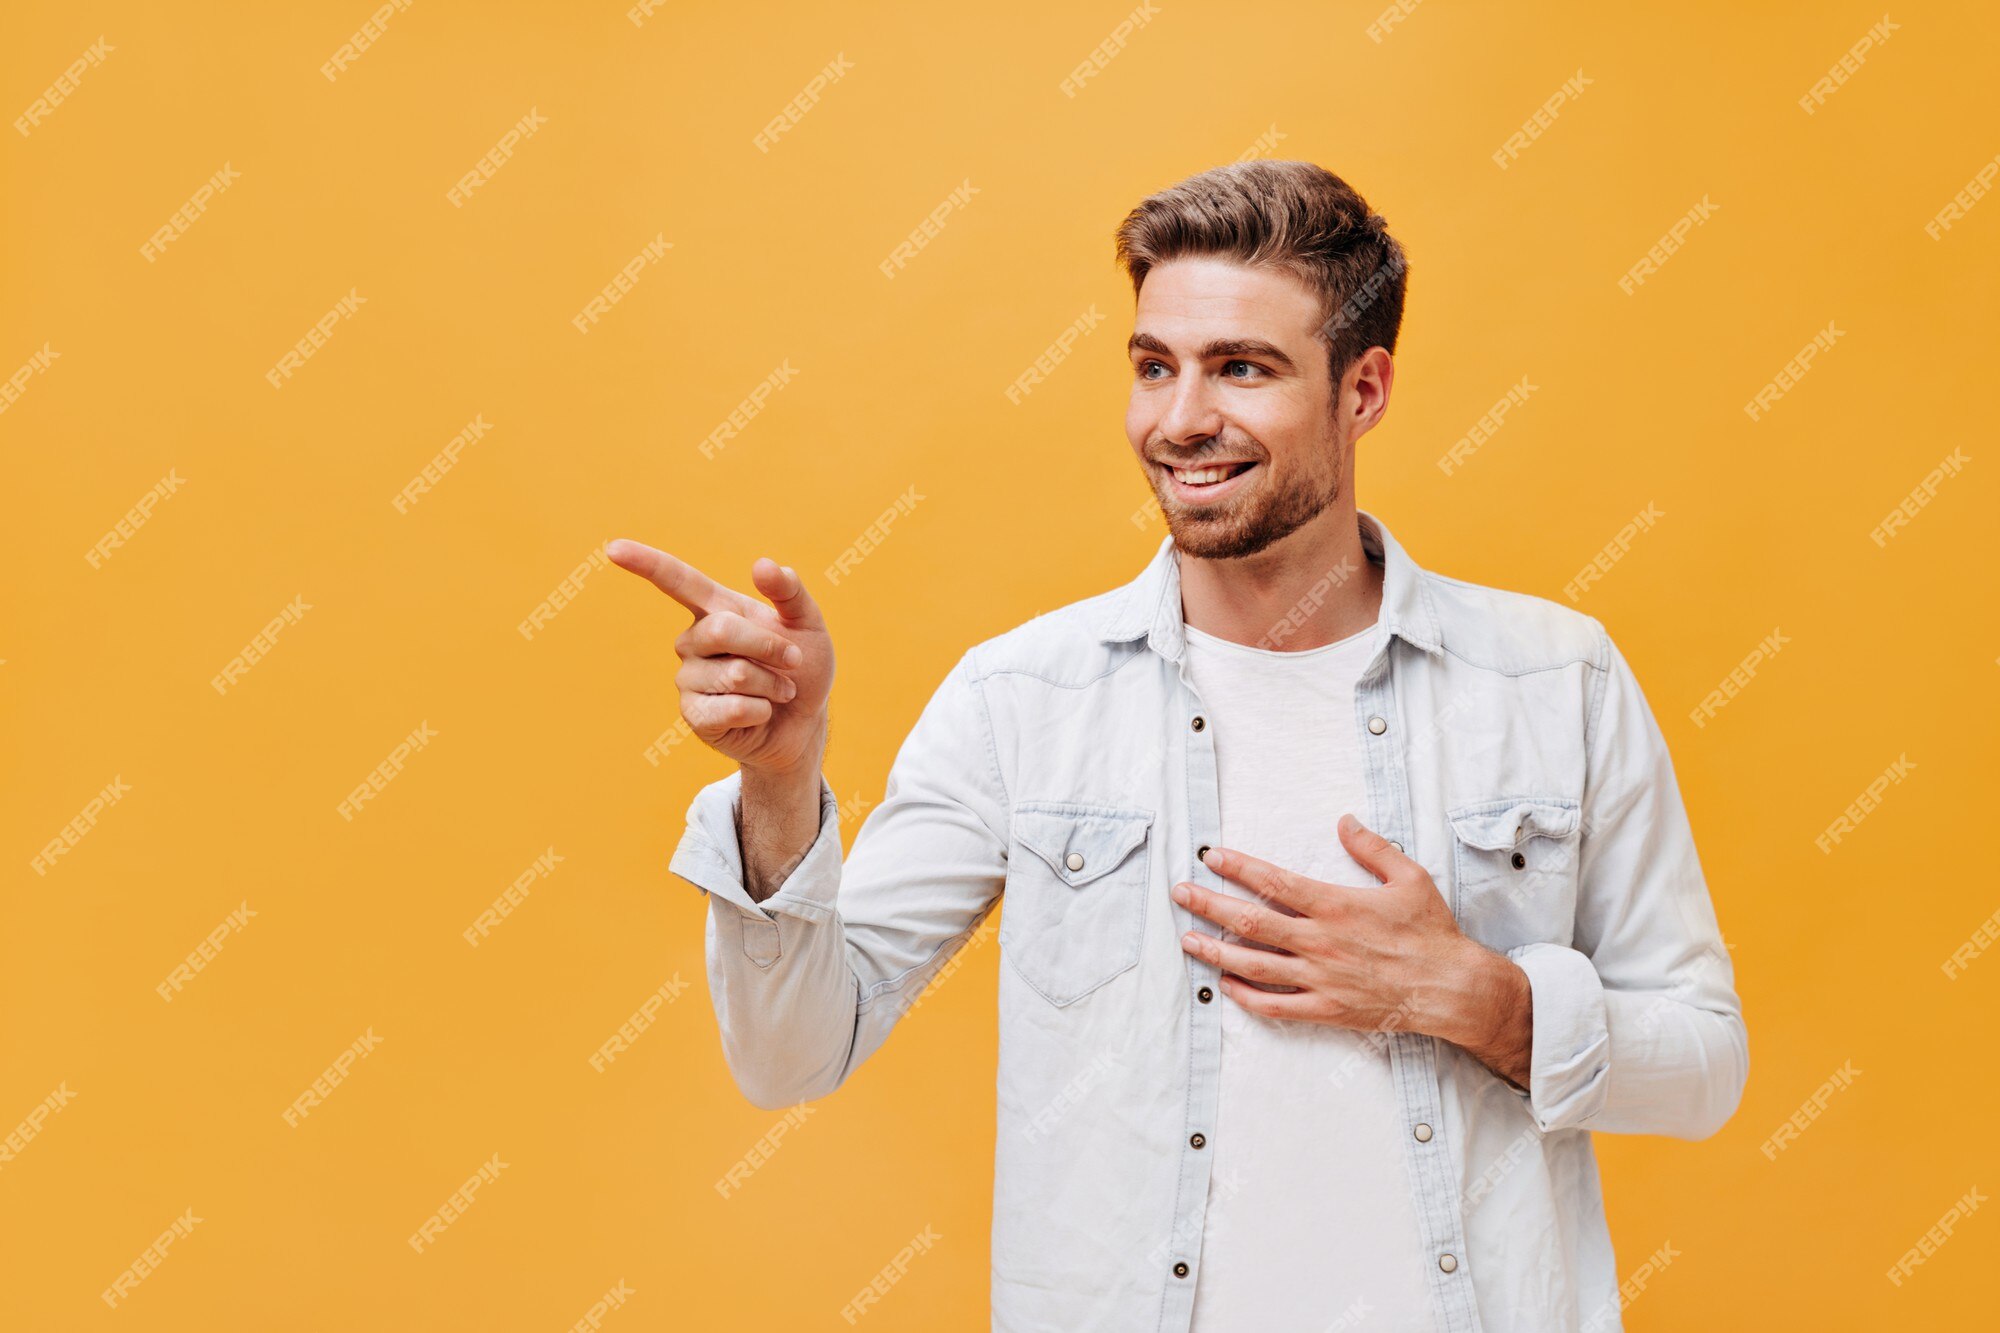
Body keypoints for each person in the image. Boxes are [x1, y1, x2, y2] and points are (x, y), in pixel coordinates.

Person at [607, 160, 1747, 1333]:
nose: (1179, 418)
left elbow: (1704, 1064)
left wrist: (1480, 999)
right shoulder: (1023, 698)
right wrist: (781, 781)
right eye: (1154, 366)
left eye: (1240, 369)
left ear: (1363, 389)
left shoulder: (1551, 679)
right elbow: (792, 1051)